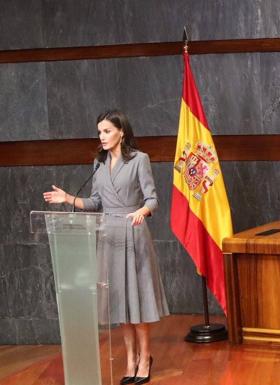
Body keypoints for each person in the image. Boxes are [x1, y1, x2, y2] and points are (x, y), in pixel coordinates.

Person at [43, 110, 169, 385]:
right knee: (121, 305)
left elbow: (153, 199)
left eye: (107, 131)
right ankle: (130, 360)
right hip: (108, 238)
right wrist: (67, 198)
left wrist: (142, 212)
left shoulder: (139, 160)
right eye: (99, 132)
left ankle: (145, 358)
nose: (102, 136)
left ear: (121, 131)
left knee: (137, 303)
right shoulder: (98, 165)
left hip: (133, 234)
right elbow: (95, 203)